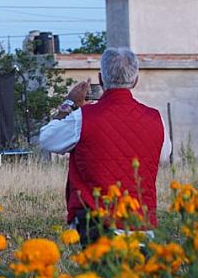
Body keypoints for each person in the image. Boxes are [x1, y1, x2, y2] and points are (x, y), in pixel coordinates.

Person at [39, 47, 172, 244]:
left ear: (101, 79)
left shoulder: (82, 118)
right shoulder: (155, 119)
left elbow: (46, 138)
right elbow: (163, 155)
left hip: (97, 225)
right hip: (141, 223)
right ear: (135, 80)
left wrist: (69, 103)